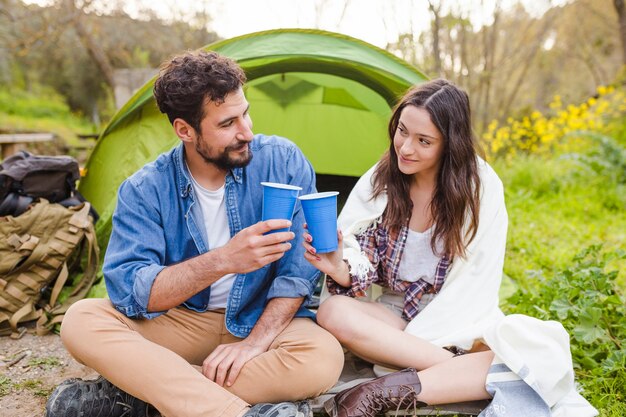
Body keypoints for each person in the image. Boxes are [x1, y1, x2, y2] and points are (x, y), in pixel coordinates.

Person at [45, 50, 344, 417]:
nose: (246, 131)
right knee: (81, 320)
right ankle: (234, 411)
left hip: (261, 317)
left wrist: (253, 344)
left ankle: (140, 399)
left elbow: (297, 274)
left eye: (246, 113)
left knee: (322, 359)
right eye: (227, 123)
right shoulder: (144, 189)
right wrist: (223, 260)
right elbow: (130, 290)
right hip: (181, 321)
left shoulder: (282, 160)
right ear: (185, 130)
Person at [303, 79, 598, 417]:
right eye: (402, 131)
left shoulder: (480, 187)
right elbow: (362, 258)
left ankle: (397, 385)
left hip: (459, 315)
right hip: (394, 320)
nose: (406, 148)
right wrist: (339, 266)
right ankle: (465, 371)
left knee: (537, 346)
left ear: (450, 145)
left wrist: (426, 336)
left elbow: (475, 282)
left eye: (423, 141)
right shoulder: (381, 179)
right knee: (332, 312)